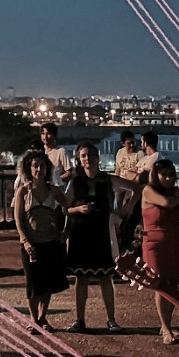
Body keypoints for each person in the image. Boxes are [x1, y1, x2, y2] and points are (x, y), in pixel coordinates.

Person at [63, 143, 119, 333]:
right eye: (83, 156)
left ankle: (111, 320)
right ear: (79, 159)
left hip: (101, 231)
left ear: (97, 157)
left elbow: (133, 188)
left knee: (105, 277)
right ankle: (79, 319)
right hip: (81, 232)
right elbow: (65, 208)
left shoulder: (106, 179)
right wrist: (79, 209)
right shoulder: (75, 181)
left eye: (90, 155)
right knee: (82, 277)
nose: (87, 159)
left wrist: (123, 209)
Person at [14, 150, 69, 328]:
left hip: (50, 242)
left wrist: (65, 232)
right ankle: (33, 319)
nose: (39, 169)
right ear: (29, 169)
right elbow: (18, 219)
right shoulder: (23, 191)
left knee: (47, 283)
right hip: (30, 244)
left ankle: (42, 317)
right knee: (33, 282)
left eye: (43, 166)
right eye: (35, 166)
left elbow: (69, 209)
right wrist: (25, 241)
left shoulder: (54, 190)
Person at [141, 159, 179, 345]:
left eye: (172, 175)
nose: (169, 178)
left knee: (173, 283)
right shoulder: (148, 191)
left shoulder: (176, 193)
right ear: (156, 176)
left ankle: (167, 324)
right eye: (165, 175)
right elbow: (167, 203)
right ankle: (165, 328)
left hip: (175, 240)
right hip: (155, 243)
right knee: (161, 284)